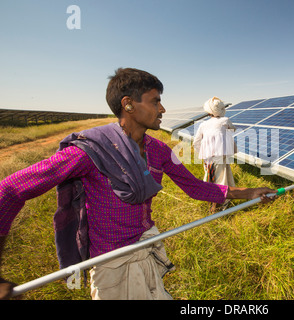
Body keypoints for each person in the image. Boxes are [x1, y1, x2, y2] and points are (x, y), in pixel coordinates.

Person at [0, 68, 276, 300]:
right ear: (128, 104)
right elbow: (10, 190)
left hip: (148, 249)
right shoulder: (88, 152)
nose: (163, 108)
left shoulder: (159, 151)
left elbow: (196, 188)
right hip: (111, 266)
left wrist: (249, 192)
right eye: (155, 101)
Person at [193, 97, 237, 212]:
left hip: (207, 157)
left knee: (209, 176)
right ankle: (217, 205)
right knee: (221, 179)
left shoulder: (203, 125)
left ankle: (211, 200)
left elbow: (196, 142)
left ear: (208, 112)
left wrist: (203, 152)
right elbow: (233, 130)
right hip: (220, 156)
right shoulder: (225, 121)